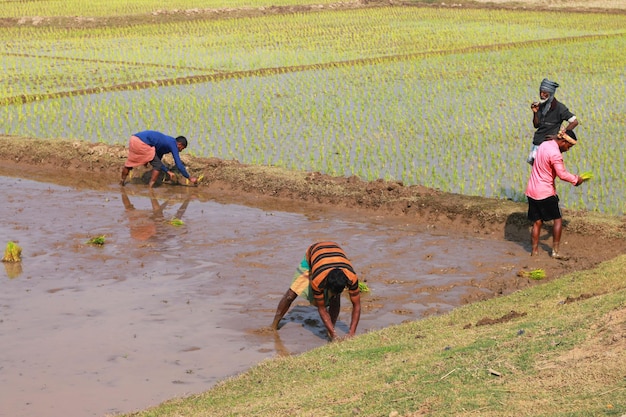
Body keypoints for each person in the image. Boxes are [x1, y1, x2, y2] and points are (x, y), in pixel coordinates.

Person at [270, 241, 361, 341]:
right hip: (313, 253)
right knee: (291, 294)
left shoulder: (351, 278)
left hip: (334, 252)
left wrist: (352, 332)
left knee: (334, 299)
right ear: (326, 283)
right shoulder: (318, 280)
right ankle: (274, 325)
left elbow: (356, 305)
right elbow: (321, 308)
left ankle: (331, 331)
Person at [525, 130, 588, 259]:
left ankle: (534, 251)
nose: (568, 149)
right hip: (545, 192)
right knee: (558, 219)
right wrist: (577, 180)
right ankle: (555, 251)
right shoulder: (555, 154)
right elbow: (562, 174)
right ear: (563, 141)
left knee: (537, 222)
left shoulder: (544, 145)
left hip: (532, 190)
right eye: (568, 146)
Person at [120, 130, 197, 188]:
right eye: (182, 148)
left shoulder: (166, 143)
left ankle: (122, 182)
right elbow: (178, 164)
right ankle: (150, 188)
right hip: (142, 143)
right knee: (157, 167)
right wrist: (189, 178)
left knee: (129, 164)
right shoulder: (173, 144)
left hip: (134, 139)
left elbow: (158, 160)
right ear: (179, 144)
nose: (180, 150)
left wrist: (167, 171)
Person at [527, 78, 579, 164]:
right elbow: (536, 125)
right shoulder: (541, 106)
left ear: (551, 93)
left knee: (545, 170)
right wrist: (535, 113)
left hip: (548, 145)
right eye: (541, 92)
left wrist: (560, 136)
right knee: (538, 171)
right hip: (537, 142)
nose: (541, 95)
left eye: (545, 93)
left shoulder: (559, 108)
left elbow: (574, 122)